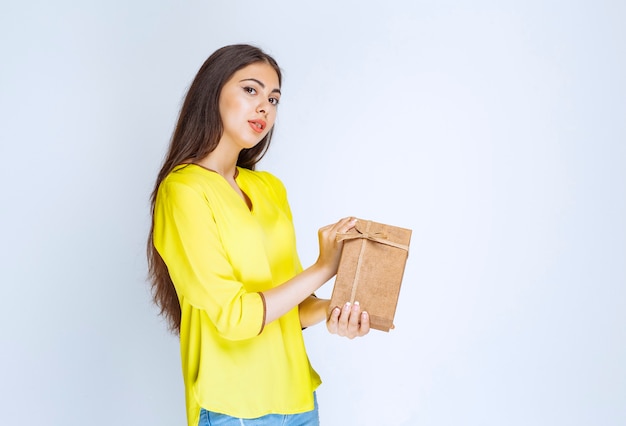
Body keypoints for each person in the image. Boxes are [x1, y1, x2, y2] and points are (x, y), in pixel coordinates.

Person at [147, 44, 370, 426]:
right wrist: (324, 267)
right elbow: (235, 318)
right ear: (212, 92)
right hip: (233, 409)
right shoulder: (183, 191)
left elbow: (293, 306)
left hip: (300, 401)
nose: (265, 107)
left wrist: (336, 309)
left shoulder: (270, 188)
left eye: (274, 98)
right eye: (251, 90)